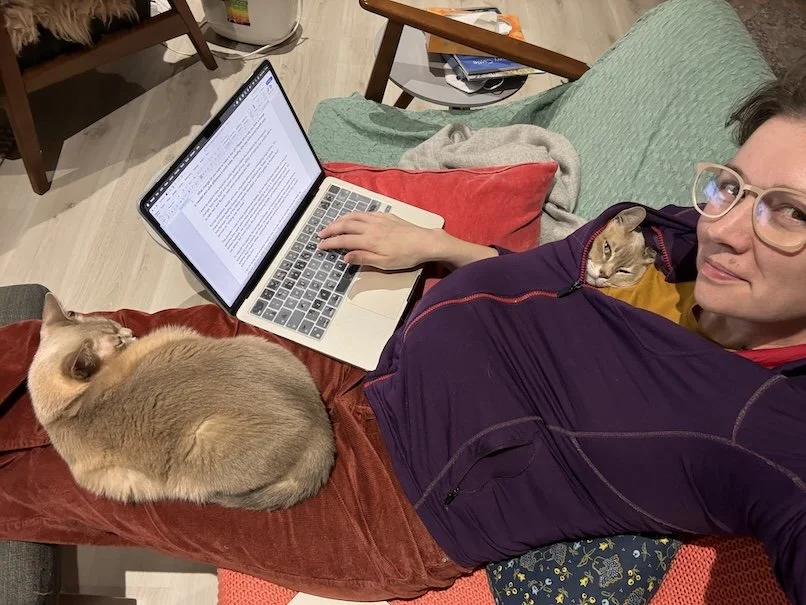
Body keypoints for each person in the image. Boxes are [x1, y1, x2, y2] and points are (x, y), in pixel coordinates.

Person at [1, 64, 805, 603]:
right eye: (731, 185)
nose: (731, 227)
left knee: (69, 457)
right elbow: (565, 286)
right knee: (103, 349)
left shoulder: (774, 431)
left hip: (389, 487)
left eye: (789, 214)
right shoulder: (674, 232)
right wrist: (443, 248)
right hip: (384, 334)